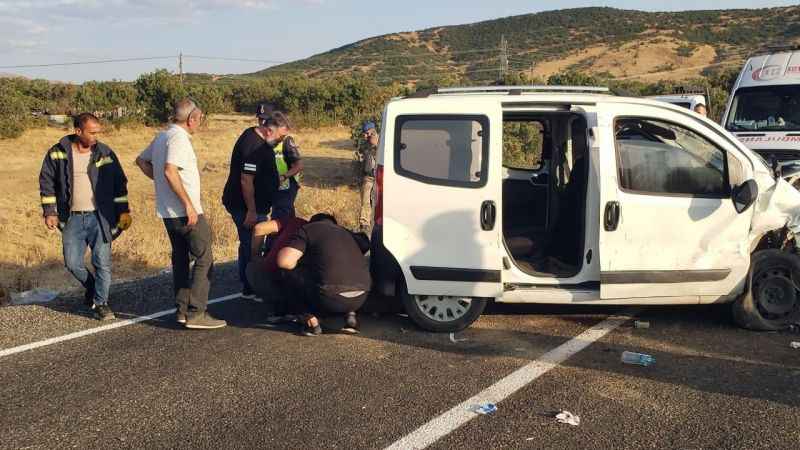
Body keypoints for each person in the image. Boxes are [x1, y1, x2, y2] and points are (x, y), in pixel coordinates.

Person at [135, 98, 225, 330]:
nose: (200, 123)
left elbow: (142, 161)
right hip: (185, 212)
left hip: (168, 212)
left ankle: (182, 310)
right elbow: (169, 170)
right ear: (191, 119)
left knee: (181, 259)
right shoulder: (178, 139)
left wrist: (163, 186)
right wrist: (188, 204)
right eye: (199, 119)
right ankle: (197, 312)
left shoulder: (162, 136)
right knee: (204, 258)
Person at [39, 113, 131, 320]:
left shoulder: (105, 152)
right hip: (71, 218)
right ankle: (92, 287)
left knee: (102, 263)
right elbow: (46, 182)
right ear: (78, 131)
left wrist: (124, 211)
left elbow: (120, 184)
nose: (96, 136)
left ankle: (101, 304)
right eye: (92, 132)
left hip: (101, 218)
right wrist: (50, 212)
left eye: (98, 132)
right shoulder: (57, 153)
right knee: (72, 263)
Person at [222, 105, 290, 302]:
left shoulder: (259, 140)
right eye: (280, 136)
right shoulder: (254, 146)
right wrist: (251, 211)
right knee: (253, 246)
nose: (280, 141)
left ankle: (248, 284)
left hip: (255, 205)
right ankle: (252, 287)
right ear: (270, 128)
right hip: (245, 206)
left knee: (248, 245)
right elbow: (246, 180)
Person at [276, 213, 371, 336]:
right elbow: (365, 244)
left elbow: (285, 262)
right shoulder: (344, 231)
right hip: (361, 297)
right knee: (343, 273)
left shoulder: (309, 229)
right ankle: (350, 316)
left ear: (312, 222)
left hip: (330, 299)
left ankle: (311, 321)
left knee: (287, 271)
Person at [245, 215, 308, 317]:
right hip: (299, 287)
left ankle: (279, 308)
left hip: (270, 278)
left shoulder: (295, 222)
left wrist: (256, 256)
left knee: (251, 267)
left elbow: (259, 228)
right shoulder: (319, 236)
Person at [271, 121, 303, 220]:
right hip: (275, 186)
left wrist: (283, 177)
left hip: (286, 186)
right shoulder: (267, 140)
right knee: (283, 216)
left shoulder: (286, 141)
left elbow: (299, 166)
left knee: (281, 218)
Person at [358, 121, 379, 232]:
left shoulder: (380, 141)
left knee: (378, 201)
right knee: (365, 200)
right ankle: (364, 224)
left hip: (378, 176)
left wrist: (375, 145)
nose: (365, 136)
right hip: (367, 176)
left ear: (372, 131)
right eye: (364, 134)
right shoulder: (365, 144)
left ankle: (378, 223)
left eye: (366, 133)